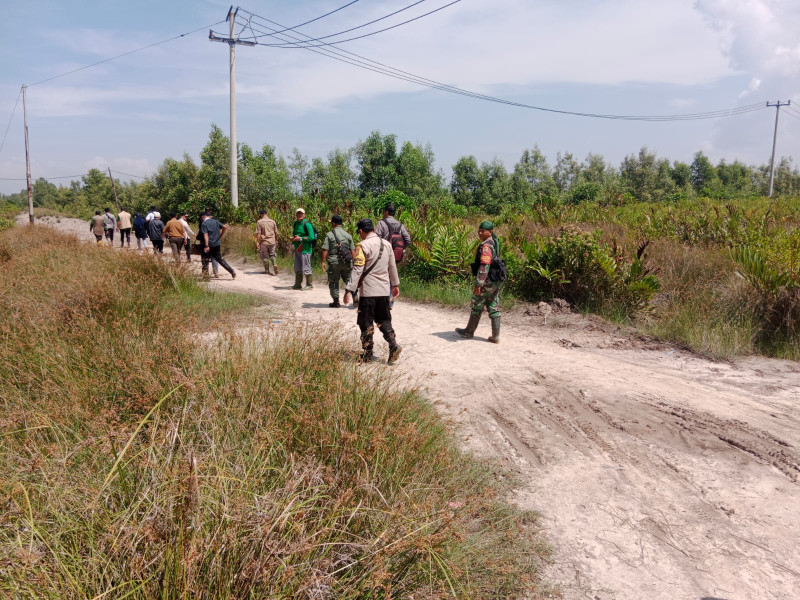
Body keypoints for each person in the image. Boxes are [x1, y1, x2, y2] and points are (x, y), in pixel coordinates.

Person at [343, 218, 402, 365]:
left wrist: (349, 289)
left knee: (365, 322)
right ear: (374, 229)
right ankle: (393, 344)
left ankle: (368, 353)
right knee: (384, 320)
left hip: (368, 292)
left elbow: (357, 269)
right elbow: (392, 266)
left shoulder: (362, 246)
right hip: (383, 291)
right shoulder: (387, 244)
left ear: (361, 231)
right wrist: (395, 284)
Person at [455, 221, 502, 344]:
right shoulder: (494, 243)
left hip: (486, 281)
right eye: (479, 230)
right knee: (493, 305)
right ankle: (495, 336)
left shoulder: (486, 246)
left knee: (477, 304)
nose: (480, 233)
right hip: (495, 281)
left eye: (483, 231)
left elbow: (484, 266)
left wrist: (479, 284)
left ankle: (469, 331)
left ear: (490, 232)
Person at [321, 214, 354, 307]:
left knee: (334, 281)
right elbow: (353, 250)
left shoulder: (329, 234)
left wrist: (323, 261)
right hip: (346, 262)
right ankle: (355, 298)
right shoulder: (348, 235)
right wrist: (354, 262)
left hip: (334, 262)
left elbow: (325, 249)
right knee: (349, 280)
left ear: (334, 223)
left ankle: (336, 302)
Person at [199, 210, 236, 279]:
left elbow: (206, 235)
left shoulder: (204, 223)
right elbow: (224, 227)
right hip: (217, 243)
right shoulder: (215, 221)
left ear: (202, 217)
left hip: (209, 244)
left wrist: (206, 245)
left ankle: (205, 277)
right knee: (219, 259)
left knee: (205, 259)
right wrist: (221, 236)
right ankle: (231, 271)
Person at [291, 208, 314, 290]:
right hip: (297, 248)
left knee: (306, 267)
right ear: (296, 214)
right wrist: (293, 238)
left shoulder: (307, 224)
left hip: (305, 249)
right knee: (297, 267)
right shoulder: (296, 224)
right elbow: (296, 234)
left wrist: (300, 238)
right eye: (298, 213)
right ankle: (298, 284)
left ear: (304, 215)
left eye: (301, 213)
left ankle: (309, 284)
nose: (300, 215)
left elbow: (312, 237)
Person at [256, 209, 279, 275]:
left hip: (264, 242)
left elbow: (258, 233)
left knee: (264, 256)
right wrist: (276, 240)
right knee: (272, 254)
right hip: (272, 241)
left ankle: (266, 271)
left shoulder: (259, 222)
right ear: (267, 214)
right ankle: (274, 264)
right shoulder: (273, 221)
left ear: (261, 214)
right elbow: (276, 232)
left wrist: (257, 242)